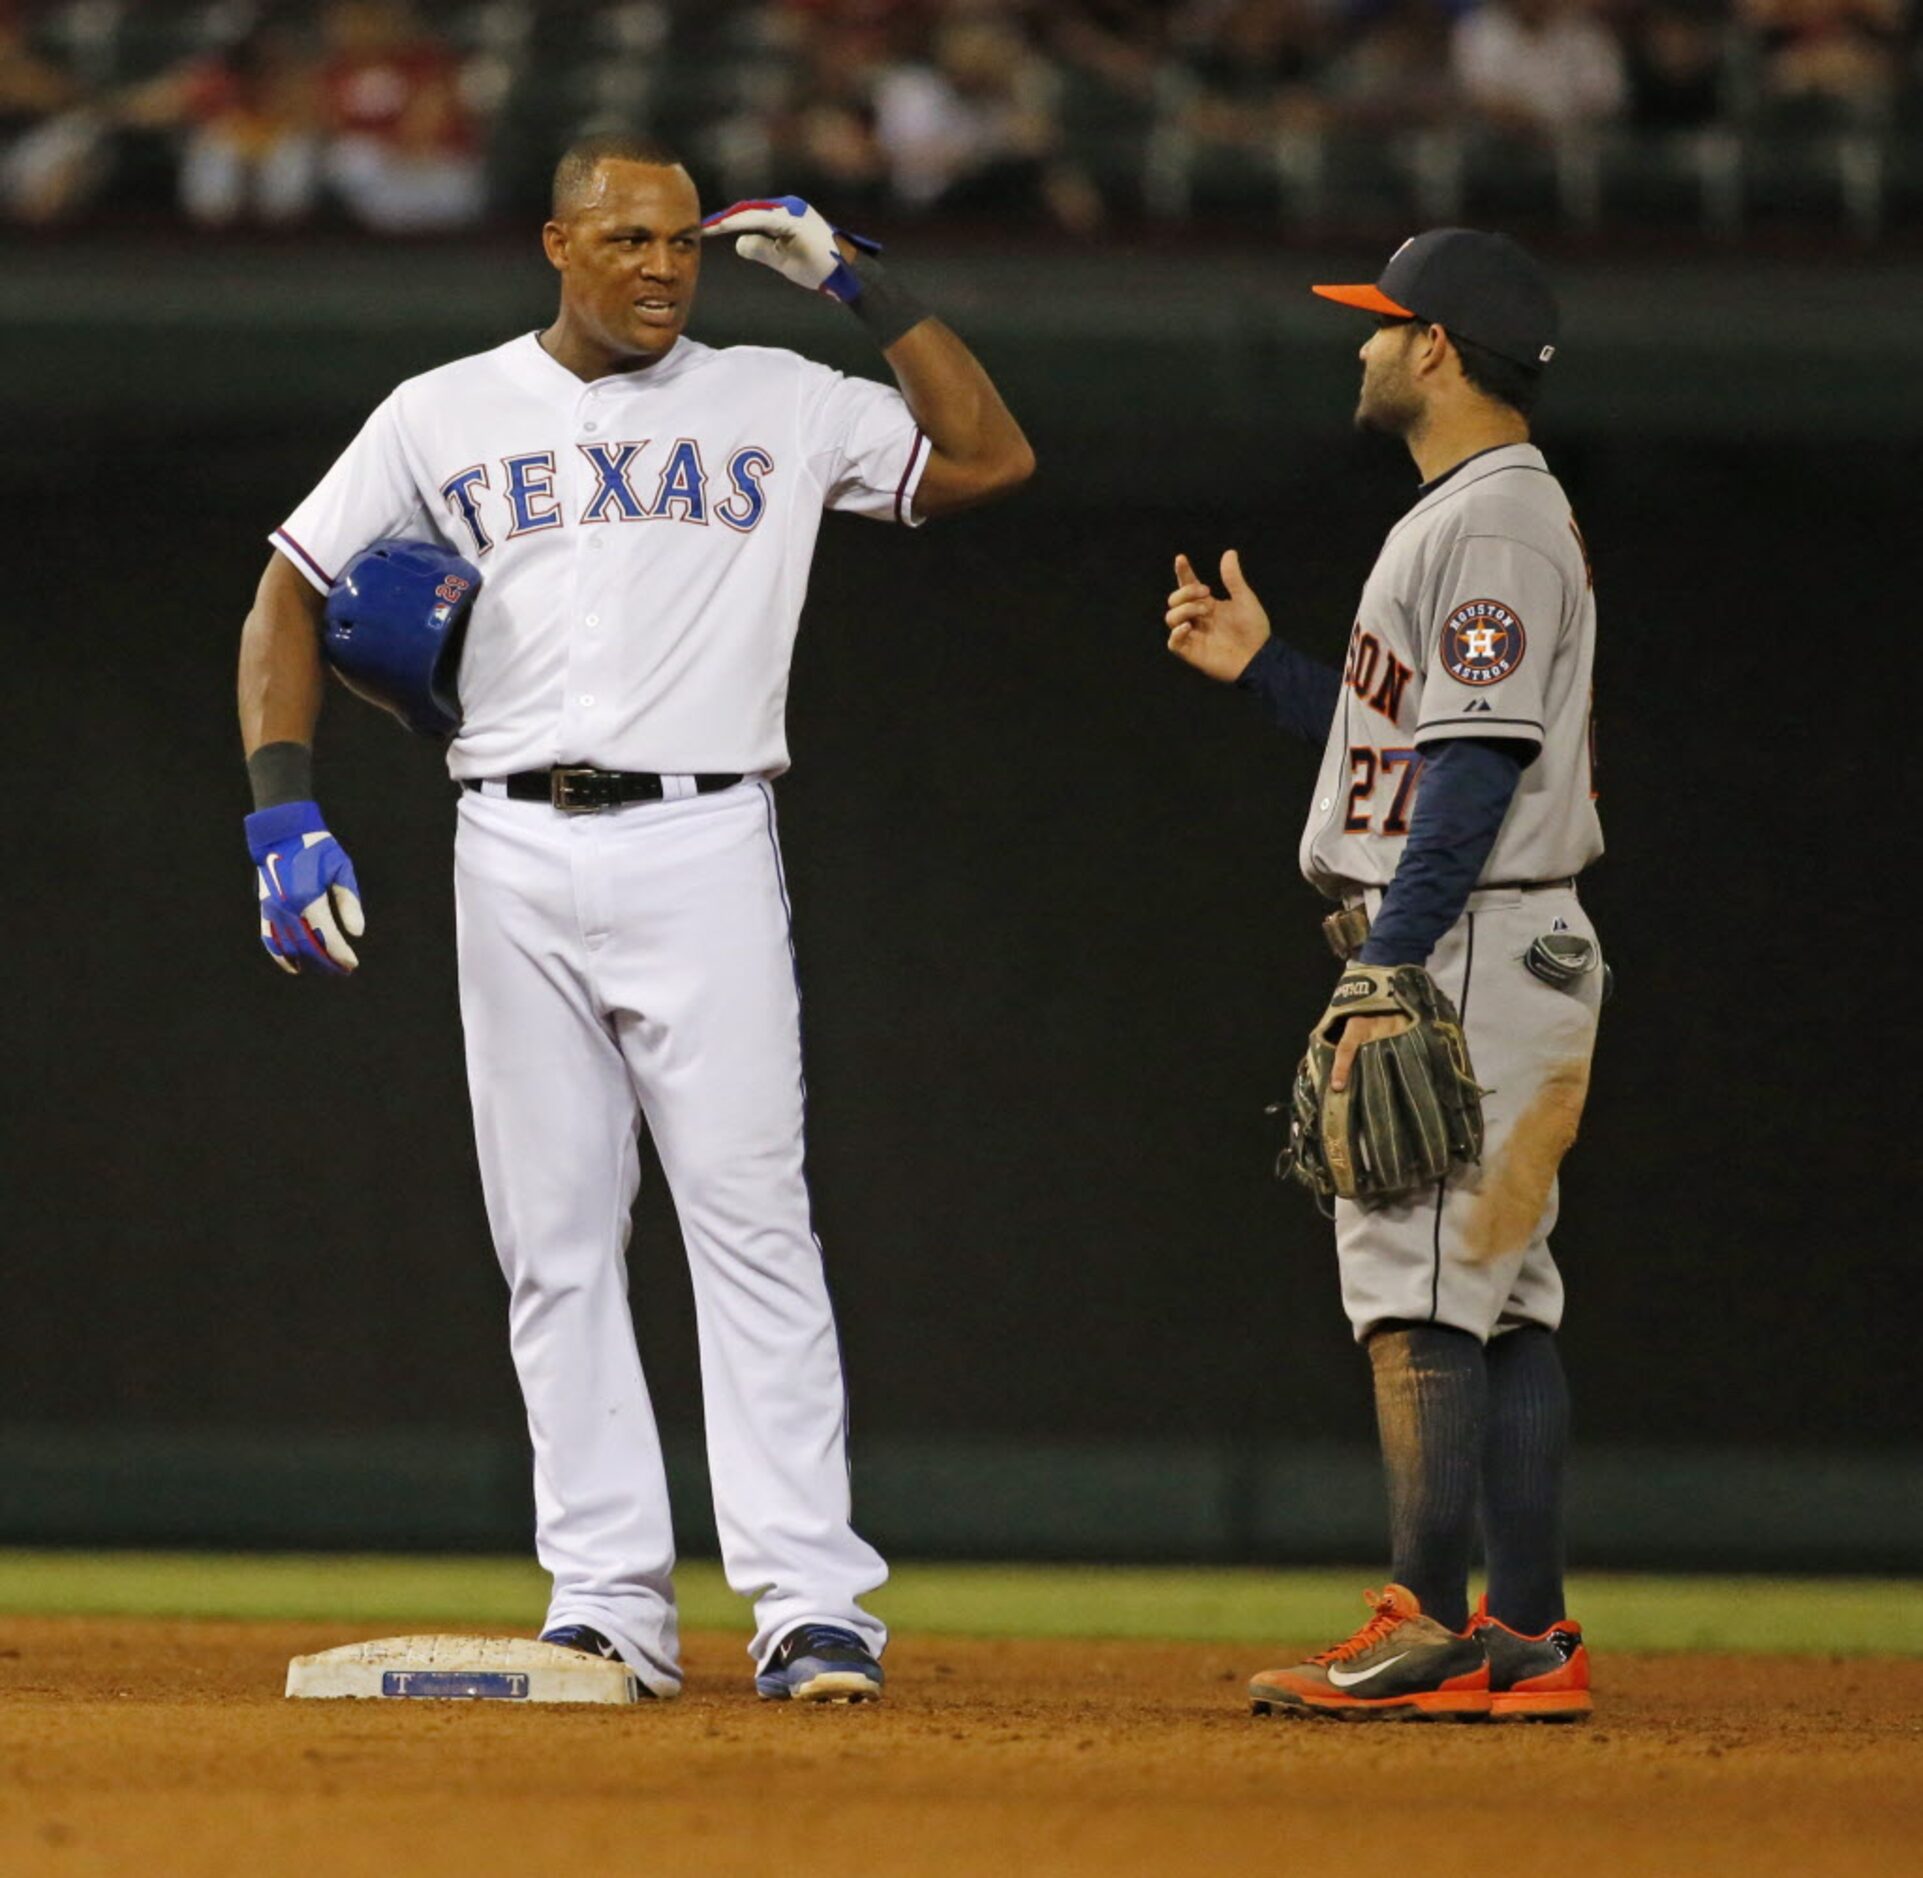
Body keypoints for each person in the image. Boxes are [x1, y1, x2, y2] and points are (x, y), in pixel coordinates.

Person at [237, 133, 1033, 1701]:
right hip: (508, 842)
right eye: (630, 240)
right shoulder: (441, 409)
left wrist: (864, 286)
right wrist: (282, 809)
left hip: (703, 830)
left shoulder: (780, 400)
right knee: (553, 1241)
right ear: (556, 243)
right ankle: (606, 1597)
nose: (664, 265)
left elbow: (990, 457)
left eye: (682, 241)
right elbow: (288, 591)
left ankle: (811, 1600)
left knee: (751, 1221)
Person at [1161, 229, 1602, 1721]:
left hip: (1468, 933)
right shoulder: (1480, 515)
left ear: (1434, 348)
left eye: (1380, 324)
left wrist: (1392, 963)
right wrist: (1274, 669)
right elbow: (1404, 756)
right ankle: (1530, 1640)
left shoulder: (1490, 522)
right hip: (1503, 933)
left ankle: (1426, 1624)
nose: (1360, 346)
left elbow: (1475, 770)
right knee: (1501, 1304)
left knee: (1417, 1298)